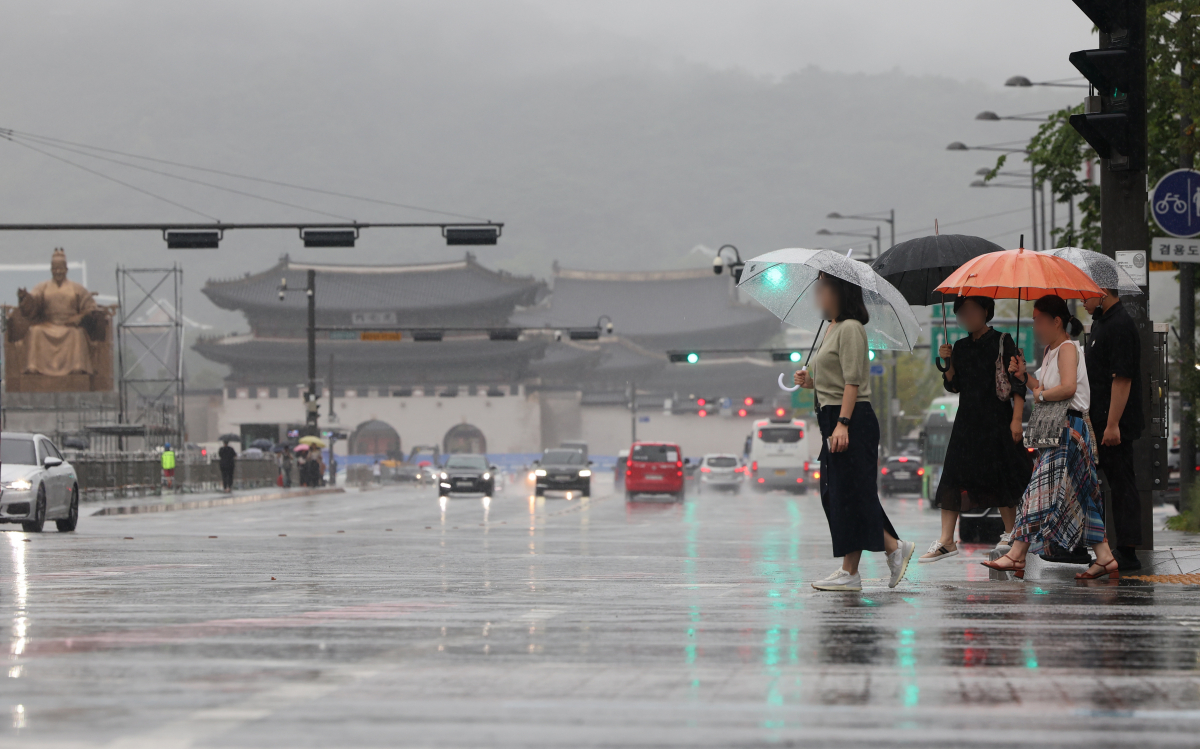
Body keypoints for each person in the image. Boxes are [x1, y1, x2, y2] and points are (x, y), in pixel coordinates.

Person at [793, 272, 916, 592]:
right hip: (834, 417)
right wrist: (809, 382)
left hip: (851, 419)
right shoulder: (831, 327)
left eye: (823, 287)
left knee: (850, 495)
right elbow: (832, 380)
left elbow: (853, 382)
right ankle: (873, 558)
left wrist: (843, 423)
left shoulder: (850, 328)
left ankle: (871, 560)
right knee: (842, 495)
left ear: (840, 291)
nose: (818, 293)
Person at [984, 295, 1115, 580]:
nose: (1035, 326)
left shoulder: (1067, 348)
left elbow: (1066, 389)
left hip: (1068, 430)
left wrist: (1041, 394)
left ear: (1056, 321)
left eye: (1039, 320)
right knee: (1083, 494)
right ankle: (1105, 557)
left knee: (1037, 490)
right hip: (1062, 429)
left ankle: (1017, 554)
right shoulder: (1051, 351)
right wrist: (1024, 376)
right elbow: (1040, 387)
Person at [921, 296, 1031, 562]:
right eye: (962, 312)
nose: (966, 316)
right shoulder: (959, 346)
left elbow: (1018, 383)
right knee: (952, 475)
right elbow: (954, 386)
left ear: (985, 311)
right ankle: (947, 540)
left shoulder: (1002, 341)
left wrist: (1017, 420)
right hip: (967, 422)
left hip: (997, 420)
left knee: (1001, 476)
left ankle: (1010, 533)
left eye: (971, 310)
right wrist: (947, 363)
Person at [1083, 287, 1144, 571]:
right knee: (1096, 484)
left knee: (1121, 485)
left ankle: (1128, 551)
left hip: (1113, 424)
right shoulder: (1101, 323)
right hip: (1099, 421)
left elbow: (1122, 379)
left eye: (1085, 294)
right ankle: (1097, 546)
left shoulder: (1120, 324)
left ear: (1102, 291)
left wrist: (1112, 424)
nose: (1082, 300)